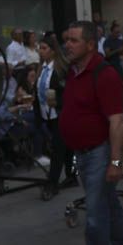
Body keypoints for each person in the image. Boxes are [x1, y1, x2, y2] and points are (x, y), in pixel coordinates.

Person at [59, 21, 123, 245]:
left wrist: (115, 161)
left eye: (74, 40)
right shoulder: (73, 71)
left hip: (99, 153)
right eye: (67, 39)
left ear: (90, 45)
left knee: (95, 214)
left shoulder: (104, 74)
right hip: (83, 153)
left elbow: (116, 121)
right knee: (108, 203)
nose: (67, 44)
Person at [34, 33, 71, 193]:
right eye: (39, 48)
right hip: (45, 113)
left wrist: (58, 101)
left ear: (53, 51)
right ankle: (72, 175)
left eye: (44, 48)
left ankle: (52, 182)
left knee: (58, 148)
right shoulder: (41, 69)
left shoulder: (61, 69)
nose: (41, 51)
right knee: (66, 146)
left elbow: (68, 91)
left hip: (59, 114)